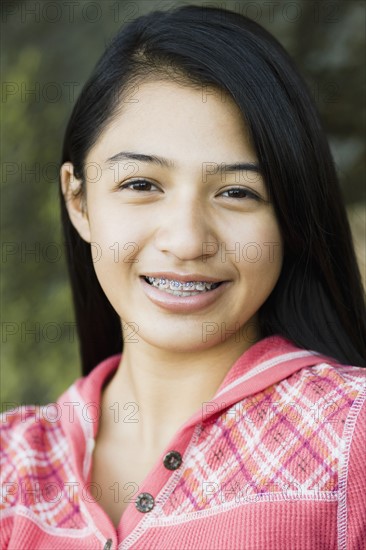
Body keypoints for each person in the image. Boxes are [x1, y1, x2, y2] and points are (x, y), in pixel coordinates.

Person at [1, 5, 365, 549]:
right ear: (78, 200)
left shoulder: (350, 436)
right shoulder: (12, 465)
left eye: (237, 192)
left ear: (290, 214)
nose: (188, 240)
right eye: (142, 184)